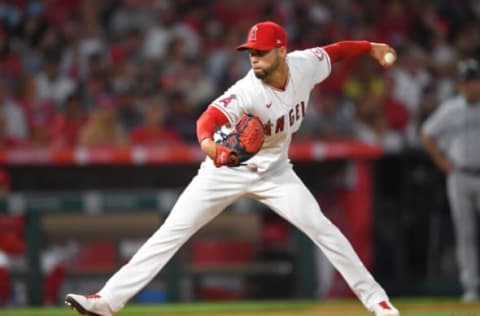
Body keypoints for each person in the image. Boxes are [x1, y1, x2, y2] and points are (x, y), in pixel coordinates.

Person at [65, 21, 400, 316]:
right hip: (225, 169)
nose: (253, 57)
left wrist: (371, 47)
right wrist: (215, 150)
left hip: (276, 173)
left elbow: (337, 51)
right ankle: (106, 301)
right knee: (171, 232)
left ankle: (379, 303)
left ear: (281, 52)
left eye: (261, 51)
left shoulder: (304, 65)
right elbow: (206, 121)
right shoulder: (247, 90)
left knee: (324, 230)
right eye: (250, 51)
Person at [421, 58, 480, 303]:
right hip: (459, 175)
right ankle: (471, 288)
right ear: (459, 85)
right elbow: (426, 133)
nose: (469, 86)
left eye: (473, 80)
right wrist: (440, 160)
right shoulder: (451, 109)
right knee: (465, 233)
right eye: (465, 81)